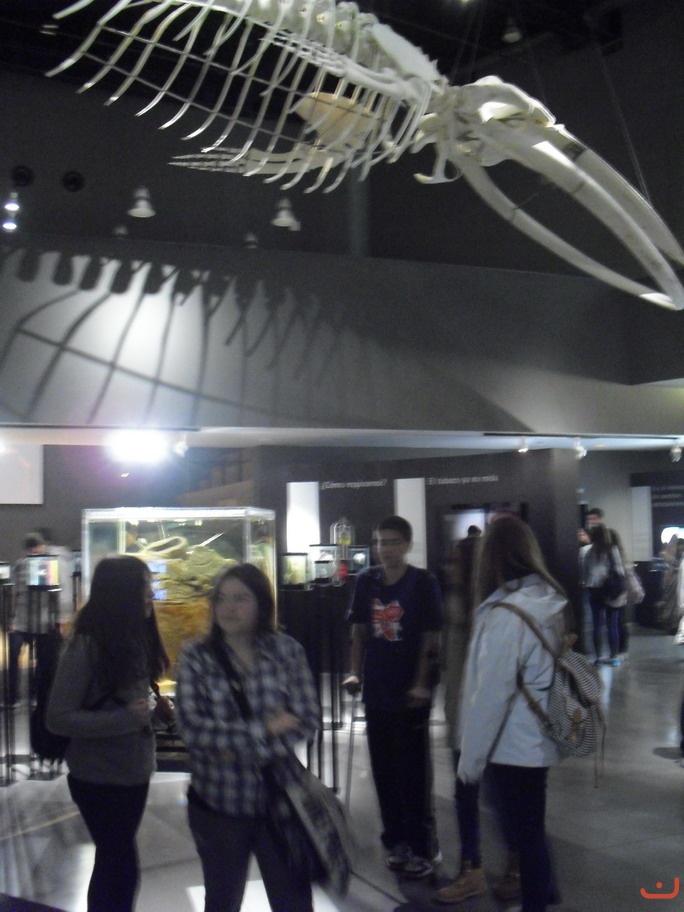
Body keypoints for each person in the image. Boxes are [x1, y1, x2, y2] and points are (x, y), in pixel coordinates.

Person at [175, 563, 321, 912]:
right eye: (222, 598)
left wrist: (229, 746)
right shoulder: (196, 657)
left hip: (279, 802)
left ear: (261, 604)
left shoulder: (287, 652)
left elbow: (305, 719)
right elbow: (192, 729)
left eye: (241, 598)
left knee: (292, 900)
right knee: (222, 900)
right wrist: (267, 728)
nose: (229, 608)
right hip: (219, 802)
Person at [46, 555, 169, 912]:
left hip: (133, 774)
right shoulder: (85, 645)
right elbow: (58, 718)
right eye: (144, 589)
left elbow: (134, 707)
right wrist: (125, 719)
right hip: (98, 777)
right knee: (119, 866)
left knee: (116, 863)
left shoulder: (134, 639)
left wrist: (156, 716)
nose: (151, 596)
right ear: (121, 594)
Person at [457, 515, 567, 912]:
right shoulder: (547, 601)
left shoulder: (506, 614)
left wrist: (470, 760)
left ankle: (538, 901)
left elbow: (491, 695)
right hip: (538, 738)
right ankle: (544, 894)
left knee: (524, 836)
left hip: (510, 745)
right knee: (530, 831)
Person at [343, 515, 443, 879]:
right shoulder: (366, 581)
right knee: (383, 770)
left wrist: (421, 683)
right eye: (380, 542)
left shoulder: (423, 583)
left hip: (410, 692)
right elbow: (359, 630)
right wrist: (354, 671)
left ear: (408, 544)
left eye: (393, 542)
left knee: (413, 772)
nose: (385, 550)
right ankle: (396, 840)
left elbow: (431, 636)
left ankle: (423, 846)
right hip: (378, 689)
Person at [6, 531, 73, 707]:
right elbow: (58, 596)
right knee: (42, 660)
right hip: (40, 621)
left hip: (30, 620)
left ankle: (21, 696)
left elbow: (15, 593)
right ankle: (35, 695)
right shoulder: (48, 564)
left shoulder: (22, 566)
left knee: (33, 659)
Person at [580, 524, 626, 665]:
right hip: (610, 589)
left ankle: (599, 657)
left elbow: (585, 572)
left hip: (594, 589)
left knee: (597, 624)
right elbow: (619, 570)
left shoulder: (588, 551)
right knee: (612, 624)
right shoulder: (612, 549)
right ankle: (613, 657)